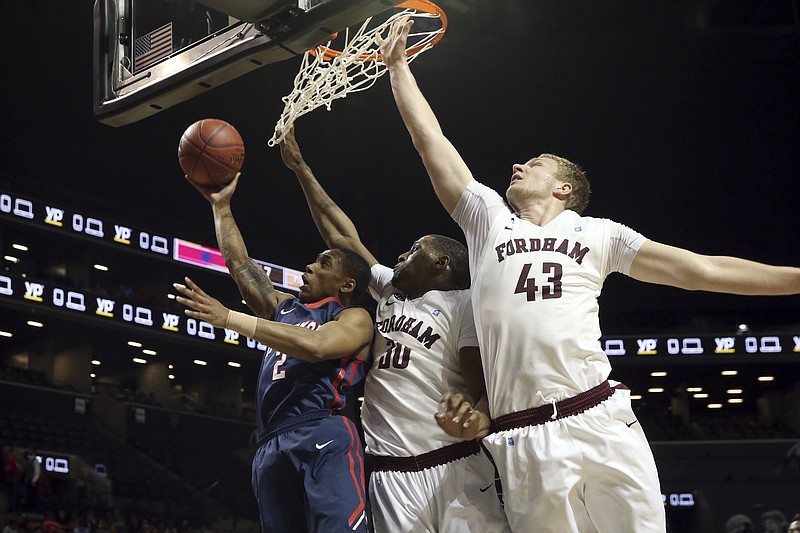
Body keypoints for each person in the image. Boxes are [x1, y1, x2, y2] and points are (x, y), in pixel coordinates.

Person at [376, 16, 800, 533]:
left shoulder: (601, 234)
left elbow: (700, 269)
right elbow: (430, 140)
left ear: (563, 189)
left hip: (597, 413)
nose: (517, 166)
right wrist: (399, 68)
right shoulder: (487, 220)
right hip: (522, 433)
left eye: (534, 164)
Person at [278, 126, 510, 532]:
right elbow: (342, 237)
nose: (401, 255)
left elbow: (481, 391)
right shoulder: (390, 291)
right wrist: (300, 167)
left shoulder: (465, 304)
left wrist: (473, 415)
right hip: (389, 475)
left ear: (443, 265)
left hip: (452, 465)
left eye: (414, 251)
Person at [173, 174, 374, 533]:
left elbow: (317, 347)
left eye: (324, 263)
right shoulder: (285, 309)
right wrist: (221, 208)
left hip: (321, 431)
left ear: (347, 284)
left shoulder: (353, 317)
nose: (310, 266)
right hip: (269, 442)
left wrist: (231, 318)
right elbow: (241, 265)